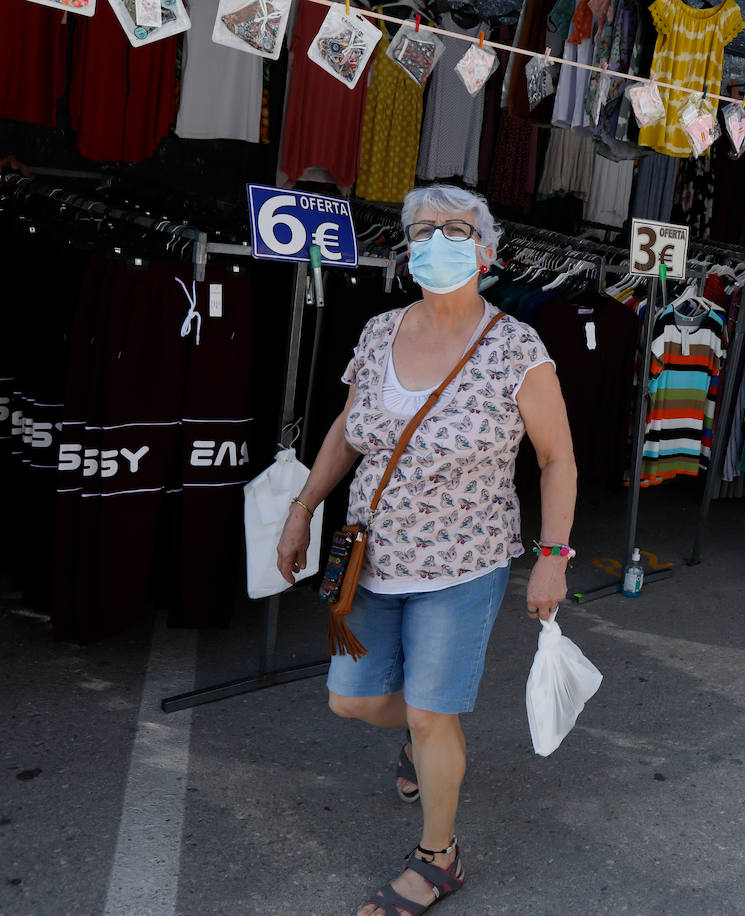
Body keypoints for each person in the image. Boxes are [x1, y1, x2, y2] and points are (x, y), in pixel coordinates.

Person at [275, 185, 577, 916]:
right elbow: (348, 429)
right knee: (353, 701)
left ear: (486, 249)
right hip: (372, 561)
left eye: (456, 228)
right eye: (423, 229)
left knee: (434, 714)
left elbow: (557, 459)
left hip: (463, 565)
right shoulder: (381, 330)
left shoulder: (516, 345)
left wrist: (552, 554)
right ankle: (422, 734)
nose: (438, 239)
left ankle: (438, 857)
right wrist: (303, 506)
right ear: (407, 247)